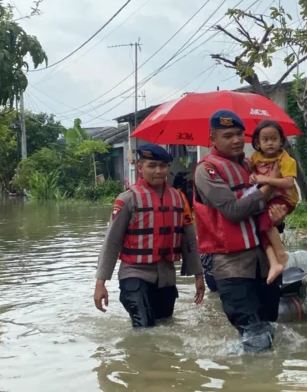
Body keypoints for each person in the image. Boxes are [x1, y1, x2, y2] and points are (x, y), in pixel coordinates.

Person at [192, 109, 289, 352]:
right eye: (227, 136)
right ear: (212, 140)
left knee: (269, 327)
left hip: (264, 262)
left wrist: (279, 217)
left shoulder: (252, 164)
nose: (236, 140)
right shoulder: (207, 170)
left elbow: (267, 209)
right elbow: (233, 211)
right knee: (254, 334)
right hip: (231, 265)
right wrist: (266, 190)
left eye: (239, 134)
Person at [93, 144, 206, 327]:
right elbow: (111, 243)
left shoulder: (179, 198)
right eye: (152, 166)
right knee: (144, 327)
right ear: (140, 168)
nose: (158, 171)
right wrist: (101, 283)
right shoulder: (127, 199)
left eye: (163, 166)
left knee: (165, 326)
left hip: (166, 276)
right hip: (134, 274)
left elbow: (189, 240)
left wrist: (198, 275)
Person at [249, 120, 300, 285]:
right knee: (261, 226)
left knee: (265, 221)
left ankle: (280, 255)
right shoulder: (255, 158)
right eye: (265, 140)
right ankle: (274, 261)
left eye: (274, 139)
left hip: (284, 198)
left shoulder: (286, 159)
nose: (270, 143)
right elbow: (252, 175)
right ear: (257, 142)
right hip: (267, 198)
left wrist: (267, 179)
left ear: (281, 141)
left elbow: (289, 183)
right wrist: (252, 177)